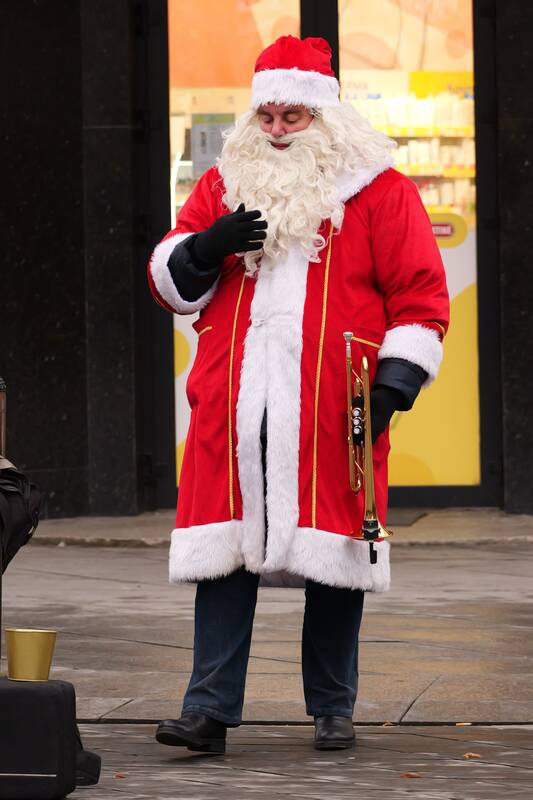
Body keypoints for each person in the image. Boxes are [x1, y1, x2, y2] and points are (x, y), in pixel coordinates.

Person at [148, 35, 449, 754]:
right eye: (268, 116)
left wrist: (394, 385)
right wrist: (203, 247)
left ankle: (333, 708)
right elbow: (170, 282)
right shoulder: (222, 184)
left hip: (336, 401)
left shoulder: (380, 191)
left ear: (323, 116)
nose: (278, 130)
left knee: (334, 555)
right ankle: (208, 711)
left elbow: (419, 296)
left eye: (293, 116)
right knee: (224, 555)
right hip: (233, 400)